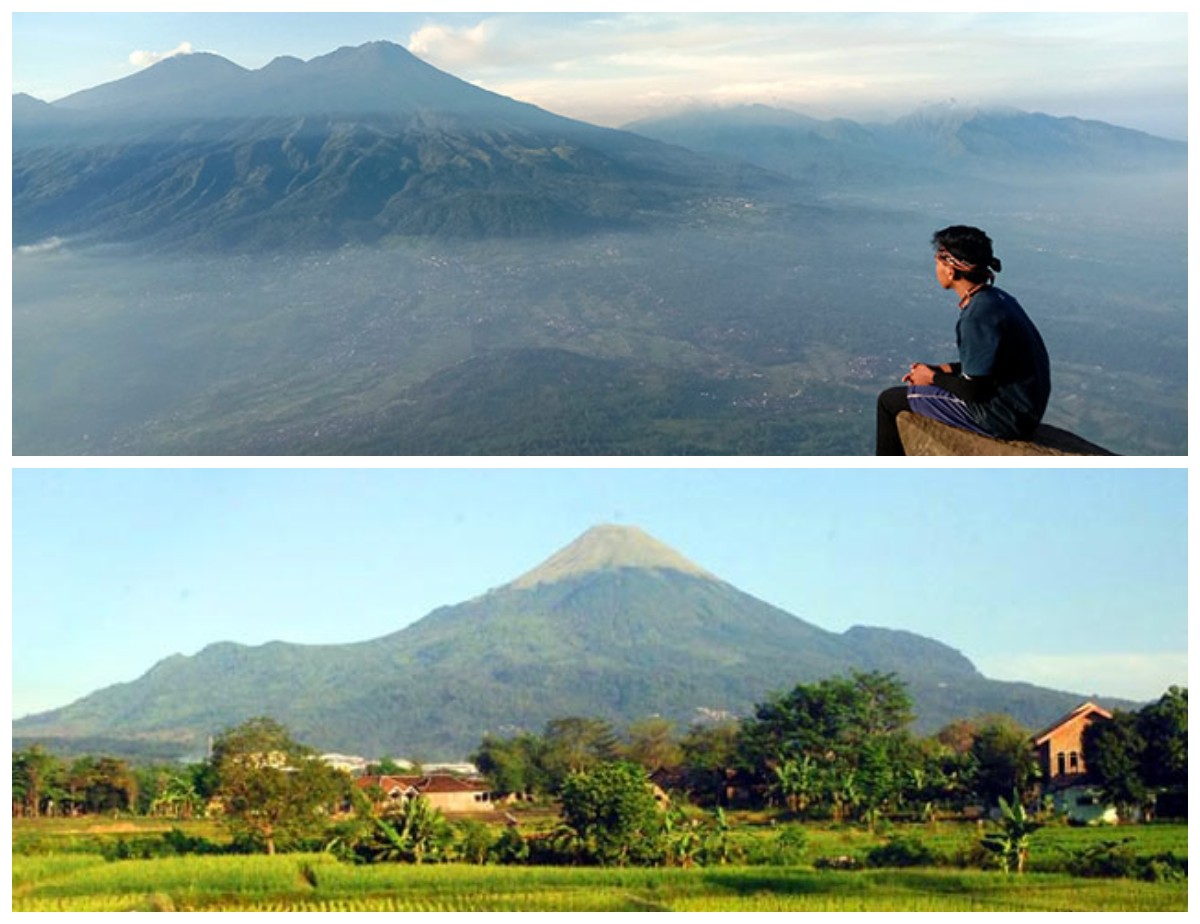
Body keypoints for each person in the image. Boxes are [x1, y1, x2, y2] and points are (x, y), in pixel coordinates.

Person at [876, 226, 1051, 455]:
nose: (936, 269)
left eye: (938, 262)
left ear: (951, 269)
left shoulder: (976, 316)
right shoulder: (996, 300)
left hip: (1001, 417)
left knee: (889, 401)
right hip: (1024, 410)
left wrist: (931, 377)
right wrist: (945, 370)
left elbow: (974, 392)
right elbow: (995, 363)